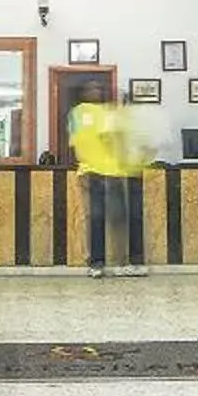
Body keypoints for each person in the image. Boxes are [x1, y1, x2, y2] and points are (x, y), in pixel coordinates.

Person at [69, 98, 152, 277]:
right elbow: (100, 142)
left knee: (126, 219)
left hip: (124, 174)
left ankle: (127, 262)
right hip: (106, 174)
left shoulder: (128, 122)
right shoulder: (91, 116)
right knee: (101, 218)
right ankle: (100, 263)